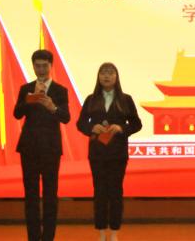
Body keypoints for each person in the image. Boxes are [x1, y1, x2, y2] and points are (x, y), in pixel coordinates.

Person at [76, 62, 142, 241]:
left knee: (115, 192)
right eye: (103, 73)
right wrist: (92, 127)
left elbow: (137, 124)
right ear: (98, 77)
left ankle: (114, 232)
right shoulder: (91, 99)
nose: (106, 76)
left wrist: (121, 128)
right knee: (99, 192)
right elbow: (80, 123)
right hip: (97, 153)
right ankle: (101, 231)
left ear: (116, 77)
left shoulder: (125, 99)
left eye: (110, 73)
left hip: (117, 153)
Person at [13, 49, 71, 241]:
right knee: (30, 195)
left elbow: (66, 117)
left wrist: (52, 107)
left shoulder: (60, 90)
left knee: (50, 195)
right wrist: (30, 100)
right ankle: (33, 237)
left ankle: (48, 237)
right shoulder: (26, 88)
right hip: (29, 147)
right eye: (37, 66)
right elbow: (17, 114)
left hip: (51, 149)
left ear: (51, 66)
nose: (41, 69)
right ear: (33, 66)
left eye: (44, 66)